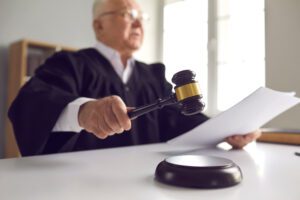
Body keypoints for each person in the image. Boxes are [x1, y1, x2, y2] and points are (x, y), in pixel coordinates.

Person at [8, 0, 261, 156]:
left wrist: (229, 130)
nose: (139, 24)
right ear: (99, 26)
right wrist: (84, 111)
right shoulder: (69, 63)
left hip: (148, 184)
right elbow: (30, 103)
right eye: (129, 15)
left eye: (142, 18)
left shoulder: (153, 74)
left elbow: (180, 121)